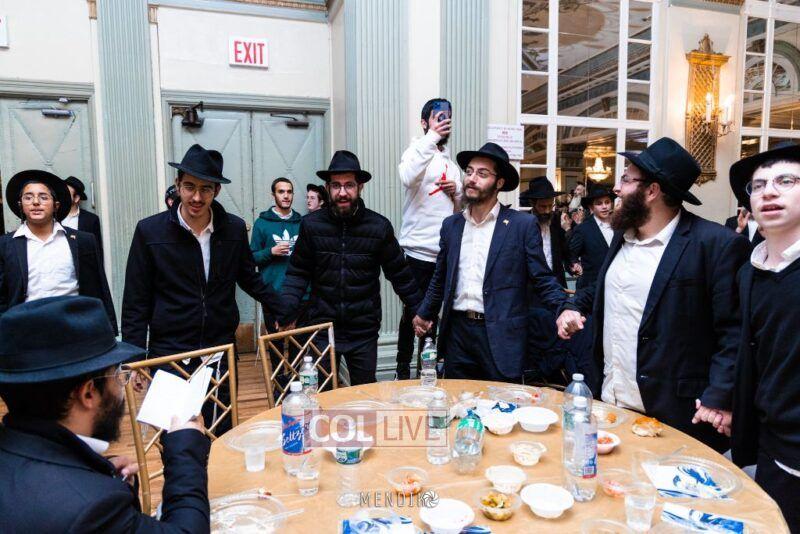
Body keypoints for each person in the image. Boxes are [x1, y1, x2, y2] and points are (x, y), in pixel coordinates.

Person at [560, 137, 750, 452]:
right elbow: (606, 288)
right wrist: (573, 306)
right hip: (612, 401)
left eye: (625, 179)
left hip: (673, 413)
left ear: (652, 191)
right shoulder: (623, 236)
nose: (617, 189)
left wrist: (719, 395)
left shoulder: (715, 245)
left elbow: (733, 333)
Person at [0, 296, 211, 532]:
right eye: (117, 375)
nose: (121, 388)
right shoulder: (92, 507)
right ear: (89, 393)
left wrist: (96, 473)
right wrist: (185, 455)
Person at [122, 144, 282, 430]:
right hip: (170, 354)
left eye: (205, 189)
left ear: (216, 191)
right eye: (189, 187)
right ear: (177, 185)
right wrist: (135, 357)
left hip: (219, 352)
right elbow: (136, 298)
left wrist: (286, 308)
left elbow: (249, 278)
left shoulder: (233, 229)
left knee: (220, 431)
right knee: (174, 435)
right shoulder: (150, 231)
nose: (196, 197)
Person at [412, 142, 584, 382]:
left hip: (501, 335)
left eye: (482, 174)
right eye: (469, 172)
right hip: (458, 336)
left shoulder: (521, 226)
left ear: (499, 183)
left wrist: (564, 308)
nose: (472, 179)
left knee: (500, 403)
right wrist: (424, 313)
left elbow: (542, 277)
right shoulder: (451, 226)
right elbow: (441, 277)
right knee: (458, 400)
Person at [278, 150, 423, 386]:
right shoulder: (311, 225)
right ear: (327, 188)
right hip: (322, 328)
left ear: (360, 187)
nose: (342, 192)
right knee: (321, 394)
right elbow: (298, 273)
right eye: (336, 185)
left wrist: (418, 310)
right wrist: (286, 309)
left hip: (363, 330)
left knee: (363, 396)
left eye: (349, 185)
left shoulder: (379, 227)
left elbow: (400, 274)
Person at [729, 142, 800, 532]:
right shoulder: (749, 272)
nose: (768, 192)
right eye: (758, 186)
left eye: (786, 181)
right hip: (770, 448)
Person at [395, 98, 463, 379]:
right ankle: (402, 370)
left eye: (447, 117)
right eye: (438, 117)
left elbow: (459, 213)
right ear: (424, 122)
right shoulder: (415, 151)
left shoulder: (452, 165)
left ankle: (427, 370)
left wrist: (456, 192)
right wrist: (432, 137)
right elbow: (408, 176)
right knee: (412, 314)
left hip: (443, 254)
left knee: (434, 318)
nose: (444, 122)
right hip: (417, 253)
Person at [0, 170, 116, 331]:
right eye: (28, 197)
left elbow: (99, 290)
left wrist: (109, 331)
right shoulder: (5, 245)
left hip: (76, 329)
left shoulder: (83, 241)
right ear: (20, 205)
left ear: (56, 205)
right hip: (26, 332)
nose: (35, 202)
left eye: (43, 197)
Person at [519, 177, 577, 287]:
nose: (547, 210)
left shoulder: (558, 220)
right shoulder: (523, 223)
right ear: (533, 204)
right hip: (530, 286)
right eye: (543, 206)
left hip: (556, 284)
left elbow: (566, 251)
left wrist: (573, 264)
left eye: (550, 206)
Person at [569, 184, 616, 295]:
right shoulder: (583, 229)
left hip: (614, 287)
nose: (604, 207)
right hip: (591, 289)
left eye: (607, 202)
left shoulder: (619, 226)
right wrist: (575, 264)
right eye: (599, 203)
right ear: (591, 207)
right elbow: (571, 254)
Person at [62, 176, 103, 257]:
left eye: (66, 193)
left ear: (76, 198)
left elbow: (97, 251)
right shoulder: (53, 217)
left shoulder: (91, 220)